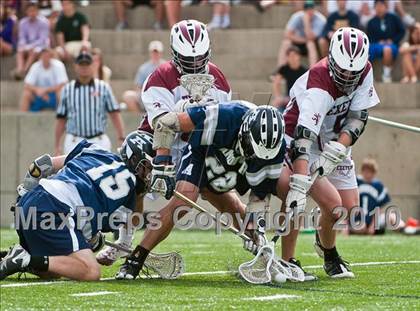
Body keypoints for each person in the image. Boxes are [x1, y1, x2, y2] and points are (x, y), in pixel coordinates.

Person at [96, 19, 233, 266]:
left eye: (198, 59)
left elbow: (217, 124)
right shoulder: (160, 76)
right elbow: (164, 125)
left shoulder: (220, 80)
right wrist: (162, 162)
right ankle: (125, 240)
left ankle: (258, 242)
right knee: (134, 177)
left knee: (221, 198)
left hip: (196, 144)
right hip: (158, 141)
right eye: (187, 60)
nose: (193, 66)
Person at [114, 103, 288, 280]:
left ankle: (265, 254)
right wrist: (162, 162)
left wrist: (254, 227)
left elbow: (258, 197)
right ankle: (135, 259)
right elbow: (165, 123)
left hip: (233, 161)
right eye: (253, 149)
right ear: (245, 131)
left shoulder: (273, 151)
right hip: (202, 152)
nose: (255, 155)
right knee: (183, 202)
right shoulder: (222, 116)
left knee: (235, 209)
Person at [274, 27, 379, 279]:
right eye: (343, 71)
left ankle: (326, 248)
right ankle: (287, 260)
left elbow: (358, 118)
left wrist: (340, 146)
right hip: (301, 140)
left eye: (353, 72)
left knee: (348, 209)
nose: (347, 77)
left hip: (333, 140)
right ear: (331, 59)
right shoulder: (318, 84)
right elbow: (303, 138)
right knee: (309, 200)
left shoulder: (364, 70)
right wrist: (299, 184)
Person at [0, 131, 155, 281]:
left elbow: (41, 164)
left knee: (55, 270)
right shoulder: (130, 188)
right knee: (90, 271)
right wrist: (94, 239)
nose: (150, 174)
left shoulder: (95, 150)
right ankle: (23, 259)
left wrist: (23, 195)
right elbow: (123, 220)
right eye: (148, 167)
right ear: (134, 159)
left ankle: (15, 258)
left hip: (35, 199)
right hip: (57, 209)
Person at [54, 51, 125, 156]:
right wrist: (57, 145)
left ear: (93, 66)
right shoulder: (67, 89)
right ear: (75, 66)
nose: (84, 68)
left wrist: (121, 137)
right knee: (74, 172)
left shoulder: (103, 87)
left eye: (87, 65)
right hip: (74, 140)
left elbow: (114, 114)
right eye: (81, 65)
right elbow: (61, 119)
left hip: (98, 140)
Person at [367, 0, 405, 83]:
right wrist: (379, 42)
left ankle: (386, 75)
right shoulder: (371, 22)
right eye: (377, 6)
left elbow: (402, 31)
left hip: (391, 44)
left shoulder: (394, 18)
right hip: (376, 44)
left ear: (386, 7)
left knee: (387, 49)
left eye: (381, 6)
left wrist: (392, 40)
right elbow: (369, 37)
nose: (379, 8)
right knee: (366, 50)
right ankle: (368, 76)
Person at [278, 1, 326, 67]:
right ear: (304, 10)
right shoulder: (296, 16)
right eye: (307, 9)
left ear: (314, 9)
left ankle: (312, 72)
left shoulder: (320, 19)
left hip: (314, 45)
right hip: (299, 42)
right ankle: (281, 71)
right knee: (286, 43)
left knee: (310, 44)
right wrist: (303, 40)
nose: (309, 11)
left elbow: (310, 38)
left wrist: (306, 22)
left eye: (311, 9)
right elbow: (287, 34)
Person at [122, 40, 165, 113]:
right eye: (153, 52)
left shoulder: (166, 66)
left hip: (163, 95)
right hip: (146, 95)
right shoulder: (144, 68)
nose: (155, 54)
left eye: (157, 52)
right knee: (128, 96)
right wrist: (145, 95)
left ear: (161, 53)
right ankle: (141, 119)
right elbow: (138, 86)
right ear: (150, 53)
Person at [351, 158, 392, 235]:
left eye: (371, 172)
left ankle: (408, 230)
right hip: (357, 219)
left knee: (392, 217)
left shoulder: (378, 186)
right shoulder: (356, 182)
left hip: (373, 219)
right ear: (362, 171)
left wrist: (373, 225)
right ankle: (352, 230)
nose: (368, 175)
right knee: (361, 227)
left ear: (374, 173)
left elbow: (378, 209)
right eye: (366, 172)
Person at [20, 48, 68, 112]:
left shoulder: (59, 65)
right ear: (40, 56)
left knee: (61, 93)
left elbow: (63, 84)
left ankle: (62, 116)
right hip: (38, 95)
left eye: (47, 54)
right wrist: (37, 90)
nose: (45, 56)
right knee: (26, 93)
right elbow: (27, 84)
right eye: (43, 54)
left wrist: (45, 90)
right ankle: (23, 118)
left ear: (51, 55)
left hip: (54, 95)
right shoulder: (35, 66)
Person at [13, 2, 50, 80]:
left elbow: (42, 39)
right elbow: (22, 38)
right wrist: (25, 46)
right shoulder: (22, 22)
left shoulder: (44, 22)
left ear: (37, 11)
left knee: (33, 51)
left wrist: (30, 46)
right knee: (20, 51)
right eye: (30, 11)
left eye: (34, 10)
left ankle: (24, 71)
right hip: (27, 46)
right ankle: (20, 69)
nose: (32, 13)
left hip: (41, 46)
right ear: (26, 12)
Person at [272, 46, 307, 111]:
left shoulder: (304, 71)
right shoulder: (284, 69)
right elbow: (276, 82)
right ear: (287, 57)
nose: (292, 58)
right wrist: (278, 96)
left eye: (294, 55)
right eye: (289, 56)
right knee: (276, 103)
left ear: (299, 56)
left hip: (300, 97)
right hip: (288, 97)